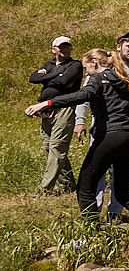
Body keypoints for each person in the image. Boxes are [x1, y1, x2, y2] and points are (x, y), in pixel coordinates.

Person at [25, 48, 129, 247]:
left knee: (85, 186)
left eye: (86, 68)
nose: (85, 73)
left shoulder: (98, 78)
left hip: (109, 137)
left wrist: (47, 103)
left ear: (94, 62)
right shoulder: (125, 79)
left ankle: (91, 237)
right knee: (123, 192)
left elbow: (82, 95)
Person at [75, 30, 129, 223]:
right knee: (96, 174)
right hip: (102, 129)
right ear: (118, 47)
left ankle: (114, 213)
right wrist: (80, 120)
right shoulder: (102, 69)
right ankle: (95, 211)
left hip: (127, 130)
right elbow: (85, 96)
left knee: (120, 177)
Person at [28, 36, 83, 196]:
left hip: (64, 108)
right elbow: (33, 78)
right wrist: (56, 76)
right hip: (45, 110)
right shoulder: (50, 64)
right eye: (61, 47)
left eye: (68, 47)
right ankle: (68, 184)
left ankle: (44, 190)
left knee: (57, 147)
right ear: (54, 49)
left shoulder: (75, 65)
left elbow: (65, 79)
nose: (65, 49)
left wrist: (46, 77)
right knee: (47, 146)